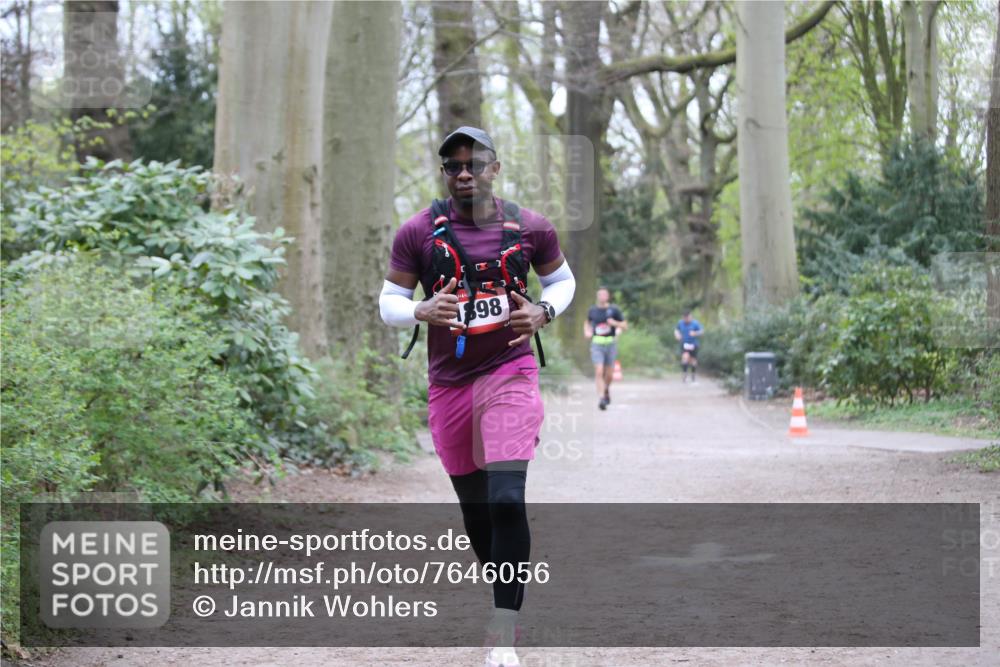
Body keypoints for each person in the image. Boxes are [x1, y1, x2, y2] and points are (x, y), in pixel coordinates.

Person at [379, 126, 575, 667]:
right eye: (453, 166)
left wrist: (543, 311)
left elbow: (562, 282)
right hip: (449, 384)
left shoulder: (531, 227)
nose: (464, 173)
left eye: (474, 163)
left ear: (495, 168)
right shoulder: (417, 232)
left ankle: (502, 628)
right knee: (478, 510)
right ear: (444, 174)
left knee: (508, 498)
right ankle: (503, 596)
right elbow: (389, 301)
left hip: (510, 372)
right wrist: (418, 310)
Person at [583, 287, 627, 410]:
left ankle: (606, 389)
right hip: (597, 344)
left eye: (604, 294)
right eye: (600, 294)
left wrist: (615, 323)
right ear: (598, 296)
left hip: (611, 344)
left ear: (607, 296)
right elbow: (587, 322)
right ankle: (602, 398)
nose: (602, 296)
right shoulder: (592, 310)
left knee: (609, 374)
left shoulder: (614, 310)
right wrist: (587, 331)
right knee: (598, 371)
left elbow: (625, 325)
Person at [674, 310, 704, 383]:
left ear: (691, 317)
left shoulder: (695, 323)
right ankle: (684, 374)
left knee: (693, 360)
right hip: (684, 343)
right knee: (685, 357)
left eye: (688, 317)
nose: (687, 319)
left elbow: (701, 331)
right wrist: (677, 335)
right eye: (685, 318)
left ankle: (693, 374)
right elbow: (676, 330)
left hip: (694, 344)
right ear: (683, 317)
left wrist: (695, 333)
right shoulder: (680, 323)